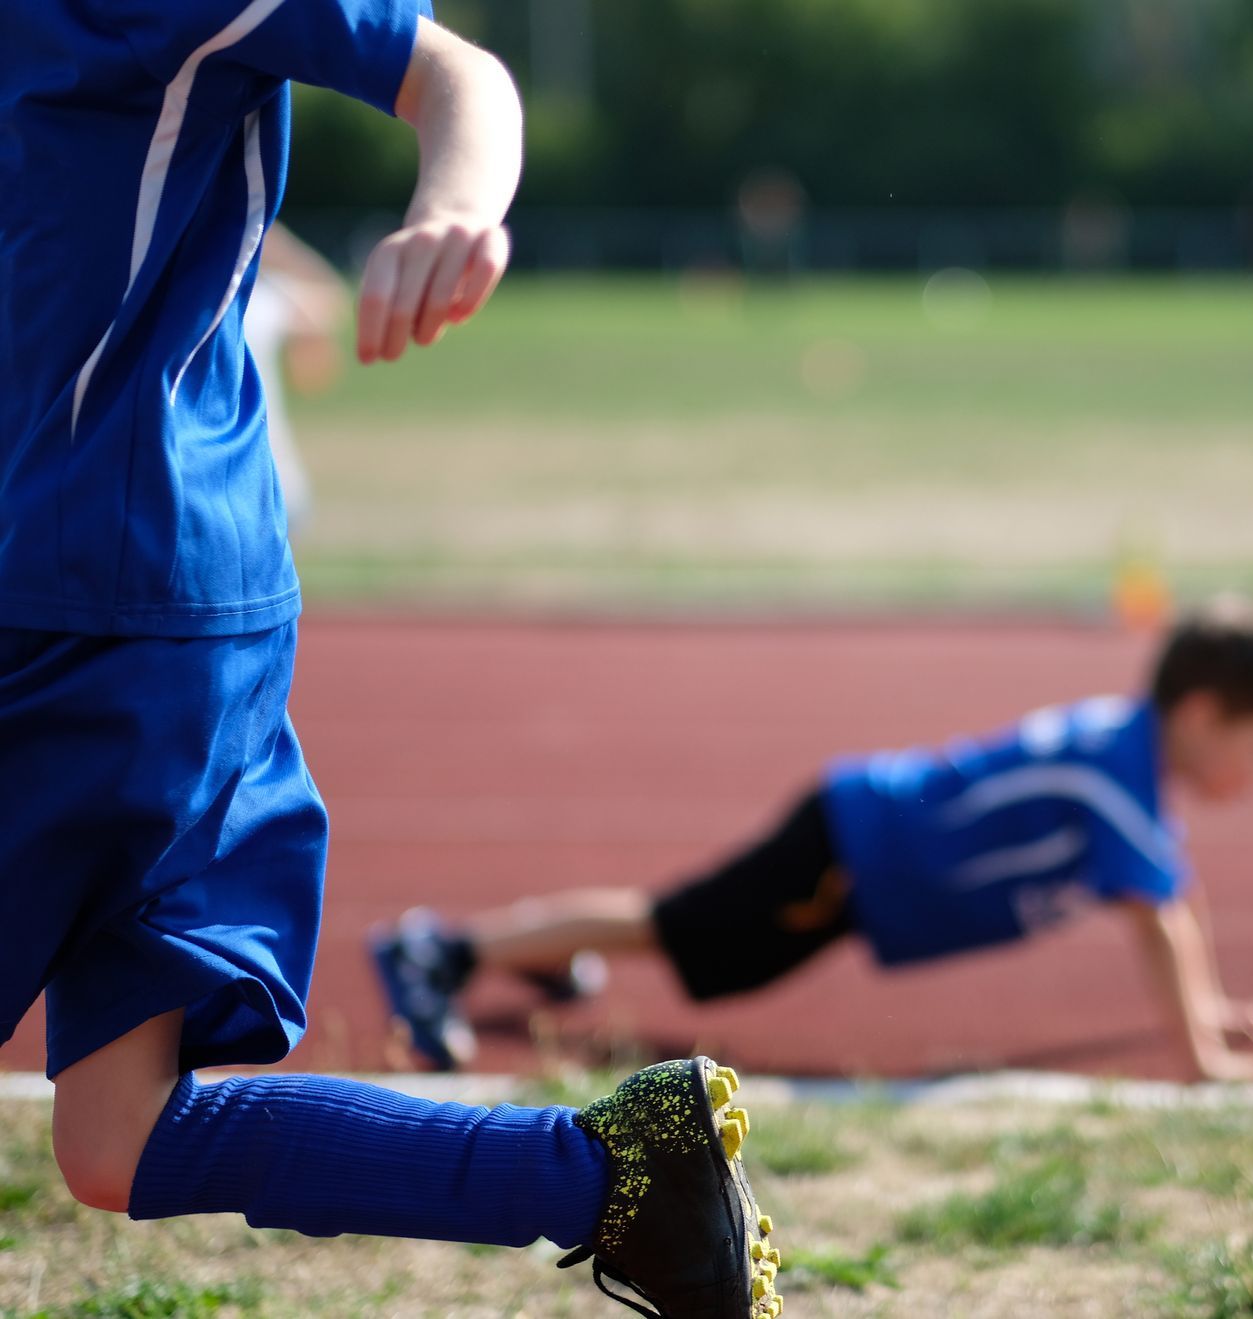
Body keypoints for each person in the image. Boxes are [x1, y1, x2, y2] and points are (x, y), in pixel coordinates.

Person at [0, 5, 779, 1316]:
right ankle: (611, 1175)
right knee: (115, 1138)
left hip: (100, 604)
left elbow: (452, 73)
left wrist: (456, 210)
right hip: (115, 596)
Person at [373, 596, 1253, 1085]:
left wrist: (1212, 1008)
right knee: (675, 927)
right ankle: (444, 949)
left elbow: (1172, 894)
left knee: (697, 945)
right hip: (851, 851)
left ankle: (537, 952)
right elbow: (1157, 918)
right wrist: (1204, 1058)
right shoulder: (1119, 781)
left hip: (868, 864)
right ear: (1201, 714)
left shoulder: (1134, 763)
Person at [245, 227, 353, 534]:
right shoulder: (259, 299)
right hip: (268, 483)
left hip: (268, 482)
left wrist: (255, 229)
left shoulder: (258, 296)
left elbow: (327, 304)